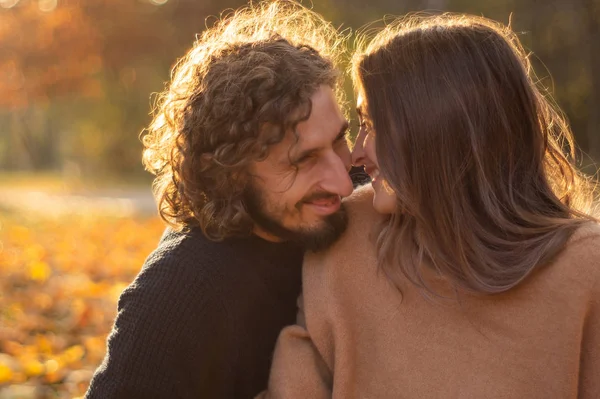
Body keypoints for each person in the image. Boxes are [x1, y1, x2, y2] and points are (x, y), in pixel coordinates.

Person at [259, 14, 600, 398]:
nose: (357, 154)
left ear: (437, 130)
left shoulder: (586, 270)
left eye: (372, 124)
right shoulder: (347, 237)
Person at [84, 2, 356, 398]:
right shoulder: (179, 293)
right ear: (230, 172)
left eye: (339, 142)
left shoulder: (361, 206)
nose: (343, 182)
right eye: (304, 160)